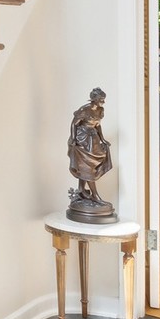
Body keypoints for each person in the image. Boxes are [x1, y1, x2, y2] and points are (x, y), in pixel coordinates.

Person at [66, 87, 115, 221]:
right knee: (87, 167)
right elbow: (74, 124)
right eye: (101, 99)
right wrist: (73, 139)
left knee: (88, 164)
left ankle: (81, 190)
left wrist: (103, 139)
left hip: (93, 139)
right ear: (94, 99)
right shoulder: (84, 109)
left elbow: (97, 125)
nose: (103, 102)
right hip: (82, 139)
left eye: (104, 99)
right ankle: (94, 195)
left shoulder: (100, 110)